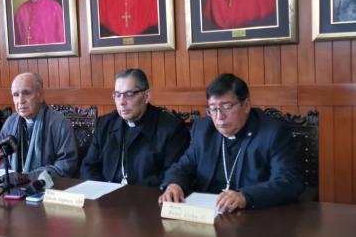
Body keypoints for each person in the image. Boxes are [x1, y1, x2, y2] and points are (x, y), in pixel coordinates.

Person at [159, 73, 304, 212]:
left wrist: (245, 196)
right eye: (213, 109)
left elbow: (288, 181)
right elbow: (183, 166)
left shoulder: (272, 133)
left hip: (254, 216)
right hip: (207, 214)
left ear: (246, 105)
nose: (219, 117)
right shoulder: (203, 130)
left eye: (226, 107)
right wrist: (174, 184)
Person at [80, 69, 190, 186]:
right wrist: (102, 191)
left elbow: (173, 175)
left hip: (148, 198)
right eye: (117, 95)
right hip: (105, 198)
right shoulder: (104, 124)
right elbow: (88, 166)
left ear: (146, 96)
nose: (122, 102)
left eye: (129, 94)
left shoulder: (171, 128)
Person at [0, 72, 77, 177]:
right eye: (16, 95)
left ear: (41, 95)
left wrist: (30, 177)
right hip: (12, 185)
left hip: (46, 188)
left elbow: (66, 165)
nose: (20, 101)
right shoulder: (10, 122)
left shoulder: (59, 123)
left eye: (26, 93)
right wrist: (8, 176)